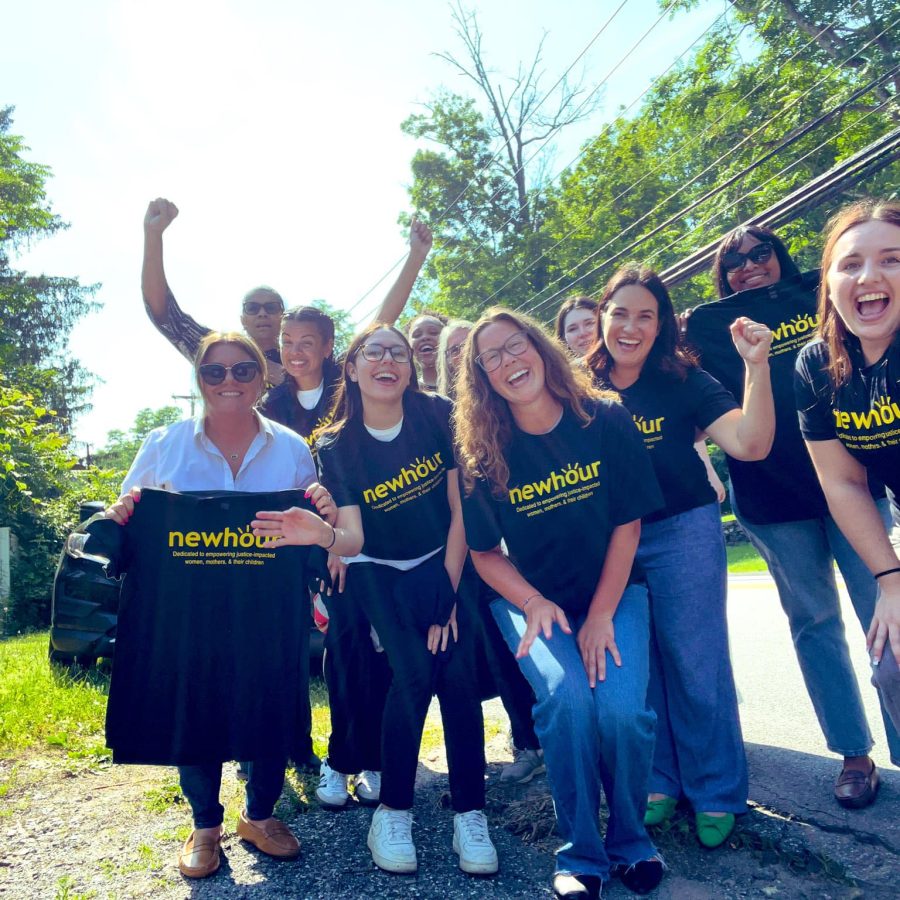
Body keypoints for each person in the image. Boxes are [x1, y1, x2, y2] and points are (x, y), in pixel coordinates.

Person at [254, 324, 498, 877]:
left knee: (456, 674)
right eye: (374, 351)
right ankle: (392, 813)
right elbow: (355, 541)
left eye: (399, 352)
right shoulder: (336, 444)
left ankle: (470, 812)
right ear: (354, 367)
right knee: (412, 674)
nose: (388, 360)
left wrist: (449, 591)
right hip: (377, 571)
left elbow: (461, 509)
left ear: (410, 367)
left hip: (444, 559)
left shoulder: (438, 415)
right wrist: (317, 535)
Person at [104, 332, 337, 878]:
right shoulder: (163, 444)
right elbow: (131, 520)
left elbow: (311, 528)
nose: (227, 381)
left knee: (273, 700)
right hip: (190, 615)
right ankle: (205, 826)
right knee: (196, 707)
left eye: (241, 371)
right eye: (214, 372)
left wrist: (321, 506)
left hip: (267, 609)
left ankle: (259, 816)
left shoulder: (291, 449)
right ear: (199, 379)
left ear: (261, 378)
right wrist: (123, 512)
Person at [455, 308, 665, 899]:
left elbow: (628, 523)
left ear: (539, 349)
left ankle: (630, 842)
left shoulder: (605, 419)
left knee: (622, 711)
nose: (507, 362)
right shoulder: (479, 454)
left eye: (514, 346)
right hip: (533, 602)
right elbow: (483, 554)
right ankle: (582, 856)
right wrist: (533, 600)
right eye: (490, 357)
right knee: (568, 701)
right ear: (481, 378)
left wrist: (600, 615)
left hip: (616, 592)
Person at [686, 224, 898, 807]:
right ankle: (854, 754)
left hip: (854, 482)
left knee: (885, 613)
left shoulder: (821, 295)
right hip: (772, 502)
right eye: (734, 261)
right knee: (814, 627)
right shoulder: (709, 327)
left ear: (783, 257)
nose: (749, 266)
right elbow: (682, 390)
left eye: (761, 253)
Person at [587, 264, 774, 847]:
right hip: (609, 540)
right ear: (602, 317)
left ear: (662, 324)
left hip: (682, 530)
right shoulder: (575, 384)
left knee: (695, 663)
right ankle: (660, 785)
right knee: (639, 671)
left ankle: (716, 789)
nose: (631, 326)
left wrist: (756, 366)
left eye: (646, 315)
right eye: (621, 312)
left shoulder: (684, 378)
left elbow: (750, 441)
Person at [795, 199, 900, 767]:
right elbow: (843, 483)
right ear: (829, 283)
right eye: (850, 263)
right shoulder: (817, 367)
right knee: (892, 663)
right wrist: (890, 580)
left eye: (892, 259)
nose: (870, 276)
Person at [141, 197, 433, 387]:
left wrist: (415, 257)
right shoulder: (222, 356)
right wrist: (153, 235)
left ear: (283, 317)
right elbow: (165, 315)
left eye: (271, 307)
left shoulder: (316, 363)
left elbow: (376, 328)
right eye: (252, 307)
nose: (262, 313)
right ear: (242, 318)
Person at [436, 319, 545, 785]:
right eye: (453, 353)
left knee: (533, 646)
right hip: (464, 552)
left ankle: (550, 735)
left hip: (519, 547)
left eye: (469, 350)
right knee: (498, 655)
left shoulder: (510, 404)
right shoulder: (437, 417)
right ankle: (524, 741)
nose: (464, 358)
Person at [408, 311, 448, 390]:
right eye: (417, 335)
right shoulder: (407, 391)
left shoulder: (467, 384)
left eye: (433, 332)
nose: (425, 337)